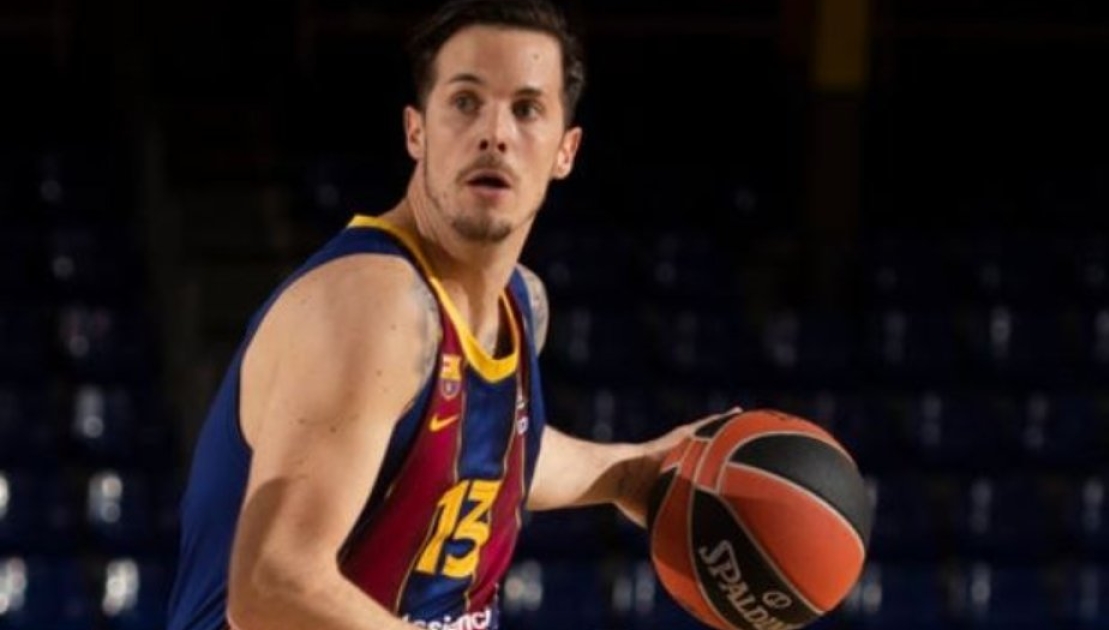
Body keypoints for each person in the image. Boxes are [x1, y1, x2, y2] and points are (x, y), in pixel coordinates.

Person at [165, 1, 732, 629]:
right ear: (417, 132)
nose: (495, 134)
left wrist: (629, 474)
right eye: (465, 102)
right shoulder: (374, 305)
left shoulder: (519, 302)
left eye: (526, 109)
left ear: (566, 150)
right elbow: (272, 587)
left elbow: (477, 454)